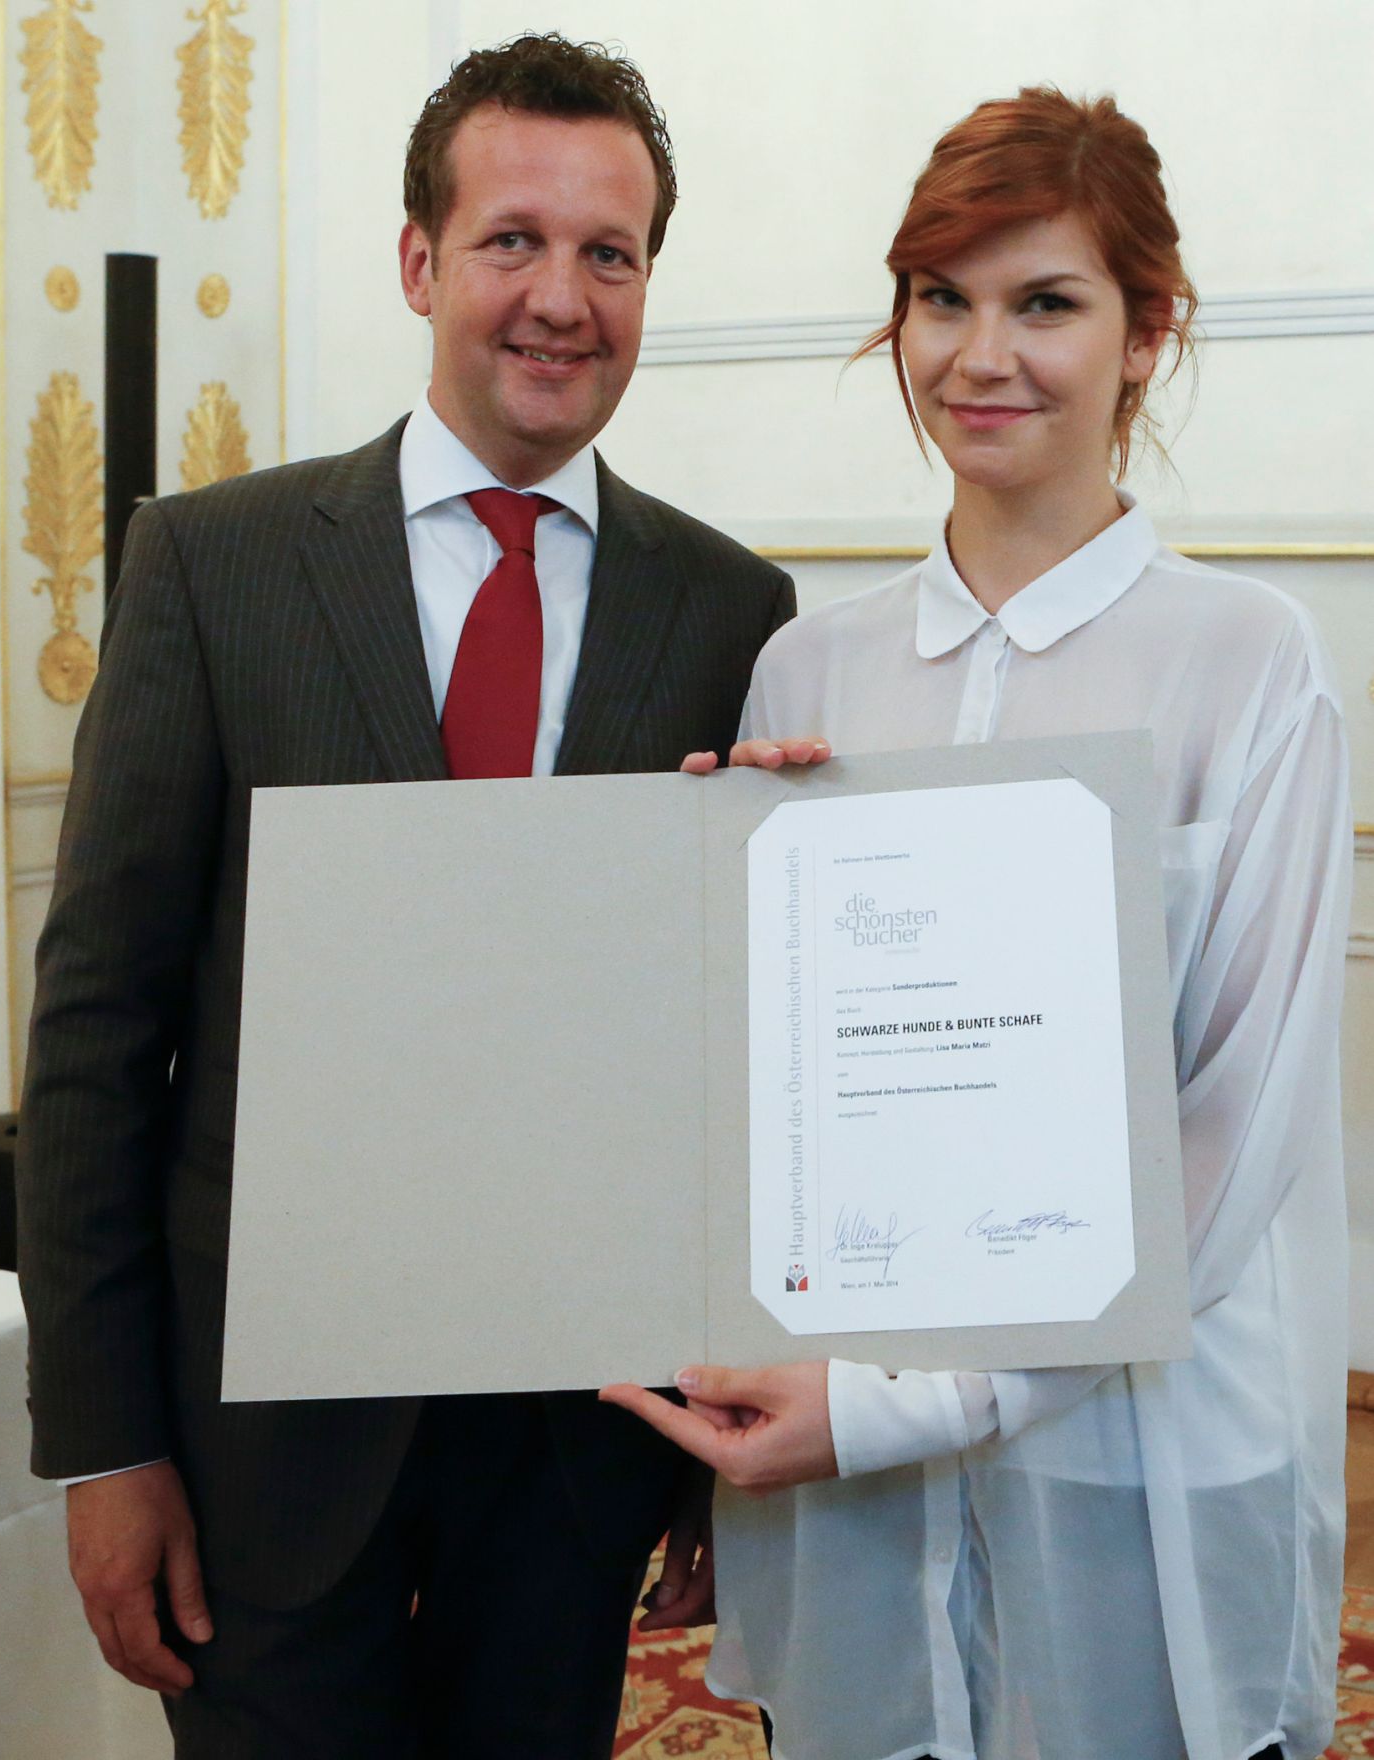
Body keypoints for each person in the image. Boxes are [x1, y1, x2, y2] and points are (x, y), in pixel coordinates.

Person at [15, 33, 793, 1759]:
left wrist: (707, 1420)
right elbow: (94, 1034)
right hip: (254, 1464)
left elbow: (726, 1063)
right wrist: (103, 1444)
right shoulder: (212, 565)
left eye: (611, 253)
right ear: (415, 259)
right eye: (512, 238)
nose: (561, 298)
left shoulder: (733, 609)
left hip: (576, 1455)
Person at [603, 87, 1350, 1760]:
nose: (978, 355)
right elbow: (760, 1101)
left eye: (1045, 303)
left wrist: (914, 1403)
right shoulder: (810, 669)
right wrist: (739, 883)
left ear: (1146, 332)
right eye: (942, 300)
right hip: (835, 1435)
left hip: (1131, 1452)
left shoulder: (1244, 661)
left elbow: (1232, 1128)